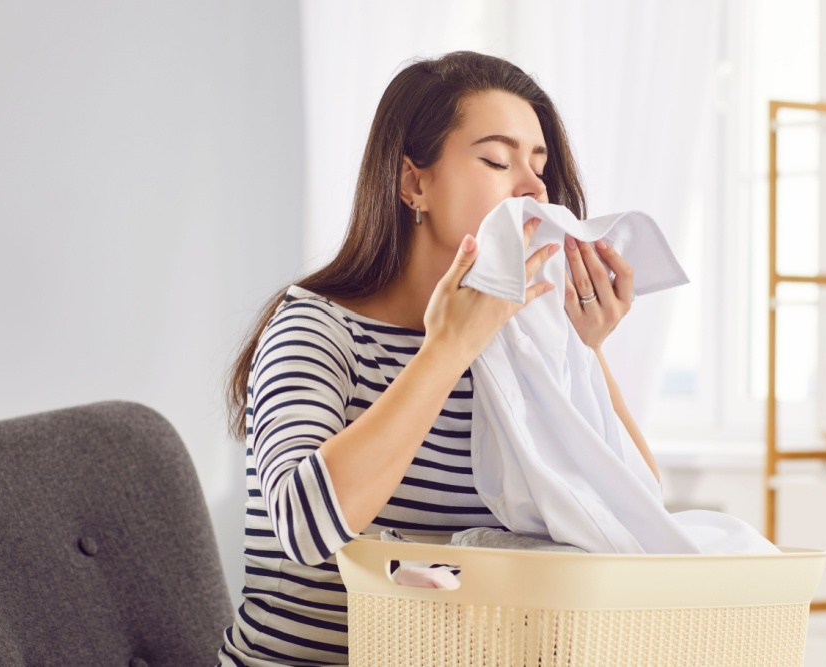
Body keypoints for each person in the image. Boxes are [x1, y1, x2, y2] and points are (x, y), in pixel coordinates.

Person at [216, 49, 659, 667]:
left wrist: (585, 354)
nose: (532, 188)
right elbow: (306, 527)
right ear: (414, 183)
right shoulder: (317, 329)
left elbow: (634, 517)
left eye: (539, 166)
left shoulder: (524, 338)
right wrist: (447, 348)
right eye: (497, 160)